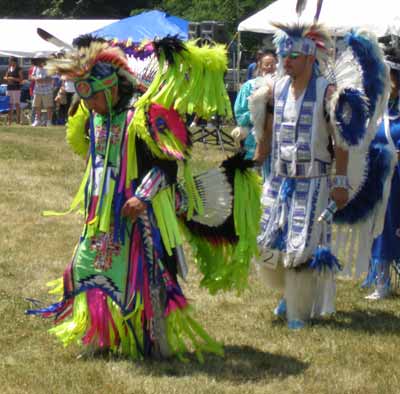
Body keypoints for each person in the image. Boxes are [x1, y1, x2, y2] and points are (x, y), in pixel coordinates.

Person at [27, 37, 260, 361]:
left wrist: (143, 197)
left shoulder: (143, 117)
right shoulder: (95, 117)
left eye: (91, 95)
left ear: (110, 87)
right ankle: (101, 336)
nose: (88, 104)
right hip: (102, 213)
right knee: (93, 271)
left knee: (150, 274)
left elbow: (166, 165)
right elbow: (94, 159)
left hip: (141, 214)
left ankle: (154, 342)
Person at [253, 23, 352, 329]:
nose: (286, 61)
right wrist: (258, 158)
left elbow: (342, 140)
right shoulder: (276, 89)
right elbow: (267, 131)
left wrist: (340, 182)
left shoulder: (328, 93)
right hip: (280, 179)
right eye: (284, 54)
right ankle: (288, 295)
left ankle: (300, 308)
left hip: (313, 181)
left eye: (293, 55)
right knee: (269, 240)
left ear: (310, 57)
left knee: (302, 245)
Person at [363, 57, 400, 300]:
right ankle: (381, 280)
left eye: (390, 77)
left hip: (398, 176)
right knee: (379, 226)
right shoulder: (378, 108)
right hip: (379, 176)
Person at [233, 51, 277, 170]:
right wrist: (258, 112)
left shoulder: (283, 87)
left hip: (277, 141)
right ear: (260, 66)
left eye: (273, 64)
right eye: (266, 64)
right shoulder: (249, 86)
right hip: (253, 139)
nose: (270, 68)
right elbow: (240, 116)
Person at [30, 57, 54, 127]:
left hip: (47, 90)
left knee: (49, 106)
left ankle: (49, 121)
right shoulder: (35, 67)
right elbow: (31, 76)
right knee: (37, 106)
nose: (37, 64)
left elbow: (51, 78)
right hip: (37, 89)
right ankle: (37, 120)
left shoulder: (49, 67)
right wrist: (35, 78)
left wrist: (43, 80)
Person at [4, 56, 23, 125]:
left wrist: (13, 79)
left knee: (17, 104)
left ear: (14, 61)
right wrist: (7, 78)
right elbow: (5, 76)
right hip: (9, 88)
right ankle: (10, 122)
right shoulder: (9, 68)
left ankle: (18, 120)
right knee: (9, 105)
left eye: (10, 61)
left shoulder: (19, 69)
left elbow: (21, 79)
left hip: (16, 89)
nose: (9, 62)